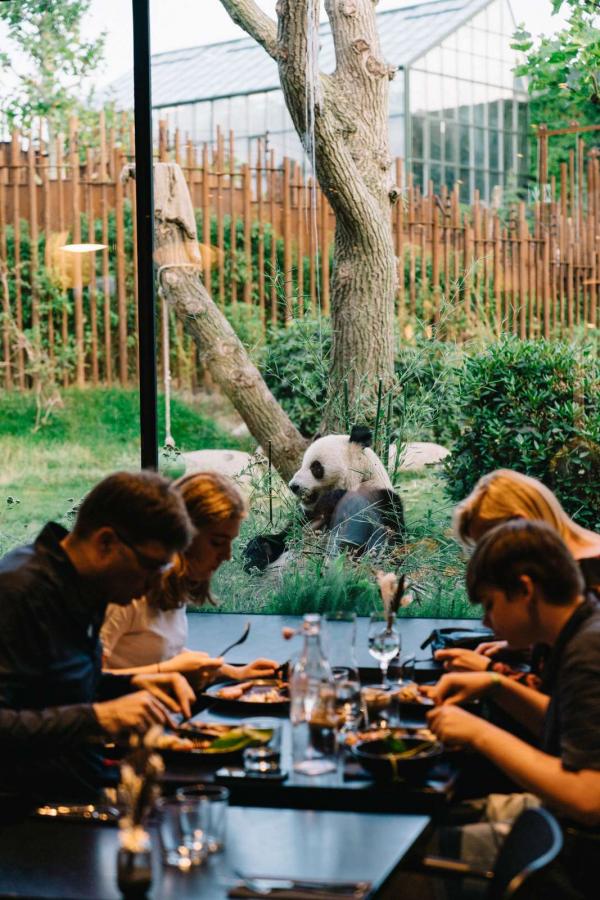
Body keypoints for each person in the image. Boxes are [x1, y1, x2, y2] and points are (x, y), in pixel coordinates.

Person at [0, 470, 222, 803]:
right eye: (150, 567)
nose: (151, 586)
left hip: (83, 785)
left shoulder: (83, 585)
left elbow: (53, 690)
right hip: (27, 816)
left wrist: (133, 684)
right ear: (106, 542)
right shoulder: (20, 592)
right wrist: (102, 718)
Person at [425, 520, 600, 896]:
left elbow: (590, 796)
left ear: (525, 590)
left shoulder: (588, 653)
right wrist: (496, 686)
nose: (485, 622)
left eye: (490, 604)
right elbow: (569, 730)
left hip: (579, 858)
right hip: (564, 829)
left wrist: (480, 733)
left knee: (413, 857)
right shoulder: (583, 627)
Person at [101, 471, 277, 684]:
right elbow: (88, 681)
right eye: (217, 542)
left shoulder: (173, 586)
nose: (228, 556)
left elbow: (164, 652)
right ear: (183, 535)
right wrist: (166, 670)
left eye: (230, 542)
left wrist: (236, 673)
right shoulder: (127, 596)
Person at [437, 469, 600, 674]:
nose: (490, 561)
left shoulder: (592, 573)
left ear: (521, 525)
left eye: (493, 543)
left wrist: (493, 674)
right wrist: (527, 646)